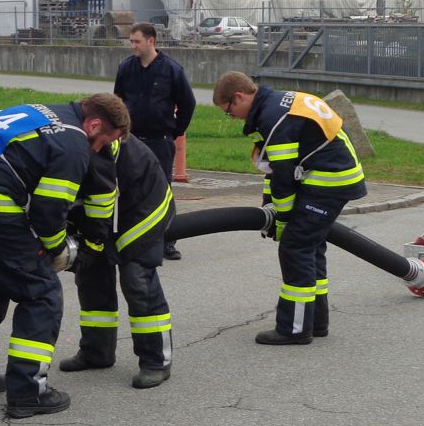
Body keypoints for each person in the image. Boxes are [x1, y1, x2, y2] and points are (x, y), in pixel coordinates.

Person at [0, 94, 130, 418]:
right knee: (42, 292)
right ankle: (28, 392)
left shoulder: (35, 111)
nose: (101, 149)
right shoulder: (74, 141)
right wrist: (60, 252)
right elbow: (49, 212)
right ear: (94, 124)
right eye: (105, 141)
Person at [213, 71, 367, 345]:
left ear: (238, 97)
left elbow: (283, 176)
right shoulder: (277, 104)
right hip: (331, 175)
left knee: (295, 247)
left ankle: (294, 329)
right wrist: (267, 205)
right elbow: (273, 169)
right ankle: (316, 322)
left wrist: (282, 219)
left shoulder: (273, 118)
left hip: (328, 180)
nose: (232, 117)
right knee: (311, 246)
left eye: (229, 110)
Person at [61, 136, 175, 388]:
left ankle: (156, 361)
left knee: (137, 279)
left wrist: (92, 241)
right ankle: (97, 352)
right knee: (91, 275)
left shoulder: (95, 146)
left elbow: (100, 198)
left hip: (143, 208)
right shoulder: (60, 143)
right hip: (104, 208)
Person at [113, 22, 195, 261]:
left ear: (151, 41)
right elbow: (117, 101)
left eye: (137, 41)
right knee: (127, 189)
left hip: (160, 141)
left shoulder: (171, 70)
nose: (133, 46)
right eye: (131, 42)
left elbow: (188, 104)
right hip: (131, 141)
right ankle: (130, 237)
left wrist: (174, 132)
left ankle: (168, 241)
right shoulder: (126, 68)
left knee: (162, 191)